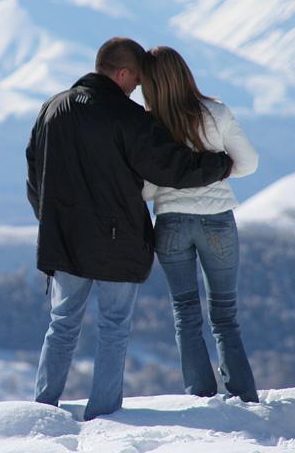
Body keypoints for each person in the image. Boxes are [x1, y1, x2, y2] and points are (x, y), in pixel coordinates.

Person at [25, 37, 234, 420]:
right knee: (114, 328)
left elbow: (34, 179)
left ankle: (43, 408)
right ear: (122, 73)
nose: (137, 89)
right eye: (136, 81)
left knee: (62, 324)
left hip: (64, 240)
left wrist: (53, 221)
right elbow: (169, 166)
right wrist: (220, 165)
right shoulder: (126, 116)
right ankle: (103, 415)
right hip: (116, 243)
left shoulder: (51, 109)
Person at [140, 45, 259, 403]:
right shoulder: (216, 112)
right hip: (217, 221)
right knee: (225, 315)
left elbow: (145, 189)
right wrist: (219, 168)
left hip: (171, 223)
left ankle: (201, 397)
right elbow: (249, 163)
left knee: (185, 312)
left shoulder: (149, 124)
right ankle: (243, 397)